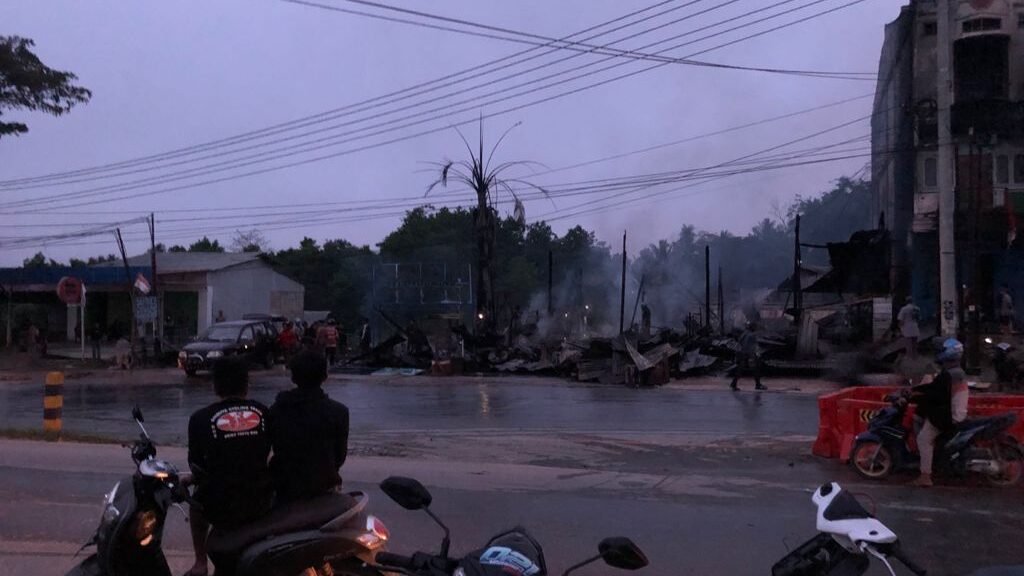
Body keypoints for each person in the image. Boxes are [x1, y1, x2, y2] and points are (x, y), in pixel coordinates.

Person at [184, 357, 273, 576]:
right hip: (260, 499)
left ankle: (200, 562)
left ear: (215, 385)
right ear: (247, 384)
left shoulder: (200, 418)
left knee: (196, 502)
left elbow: (196, 465)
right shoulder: (265, 412)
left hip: (220, 502)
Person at [270, 350, 350, 502]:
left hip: (285, 487)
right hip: (325, 486)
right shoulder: (339, 412)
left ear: (293, 377)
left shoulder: (277, 409)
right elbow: (340, 456)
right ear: (325, 377)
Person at [909, 338, 968, 487]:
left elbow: (934, 393)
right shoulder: (954, 372)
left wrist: (914, 394)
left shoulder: (949, 375)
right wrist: (914, 391)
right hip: (954, 411)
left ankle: (925, 476)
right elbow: (934, 389)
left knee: (923, 439)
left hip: (949, 415)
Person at [731, 322, 766, 391]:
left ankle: (734, 383)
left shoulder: (745, 333)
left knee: (740, 369)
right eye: (755, 327)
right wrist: (755, 354)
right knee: (755, 368)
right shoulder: (752, 335)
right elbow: (751, 347)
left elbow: (740, 341)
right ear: (752, 327)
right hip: (746, 354)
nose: (756, 329)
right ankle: (758, 385)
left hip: (740, 353)